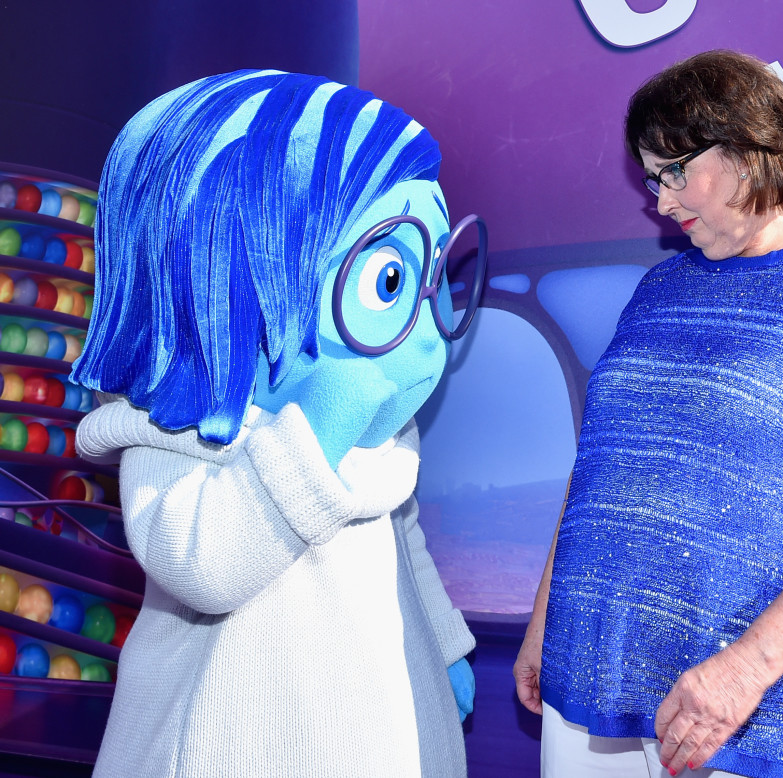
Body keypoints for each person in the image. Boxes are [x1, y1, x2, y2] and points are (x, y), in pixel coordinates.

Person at [514, 49, 783, 778]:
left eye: (674, 172)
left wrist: (742, 670)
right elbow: (606, 468)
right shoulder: (658, 287)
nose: (662, 202)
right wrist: (547, 618)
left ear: (743, 150)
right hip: (593, 669)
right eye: (651, 179)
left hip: (742, 706)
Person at [71, 70, 485, 777]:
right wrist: (311, 438)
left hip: (374, 725)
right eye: (387, 282)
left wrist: (443, 645)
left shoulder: (380, 432)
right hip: (238, 738)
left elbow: (402, 537)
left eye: (430, 278)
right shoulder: (176, 428)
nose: (428, 330)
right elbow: (202, 566)